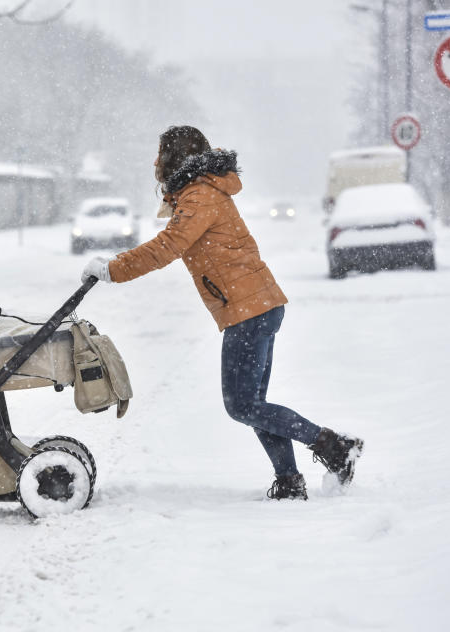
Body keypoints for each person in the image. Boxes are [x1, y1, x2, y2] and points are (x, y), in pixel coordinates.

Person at [81, 125, 363, 500]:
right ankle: (291, 480)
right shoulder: (200, 191)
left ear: (174, 158)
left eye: (160, 153)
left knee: (242, 405)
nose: (154, 161)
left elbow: (167, 247)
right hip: (257, 306)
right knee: (254, 405)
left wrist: (112, 269)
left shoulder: (199, 196)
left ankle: (332, 445)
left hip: (248, 311)